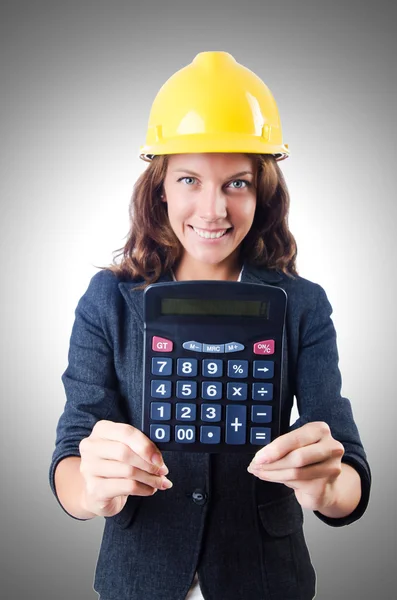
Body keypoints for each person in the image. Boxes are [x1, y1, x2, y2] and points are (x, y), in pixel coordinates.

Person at [49, 51, 371, 600]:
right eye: (190, 178)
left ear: (262, 189)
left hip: (265, 580)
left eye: (237, 183)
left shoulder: (302, 304)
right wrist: (91, 491)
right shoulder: (109, 299)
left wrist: (328, 486)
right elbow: (72, 452)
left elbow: (346, 468)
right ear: (161, 188)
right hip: (140, 579)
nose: (212, 208)